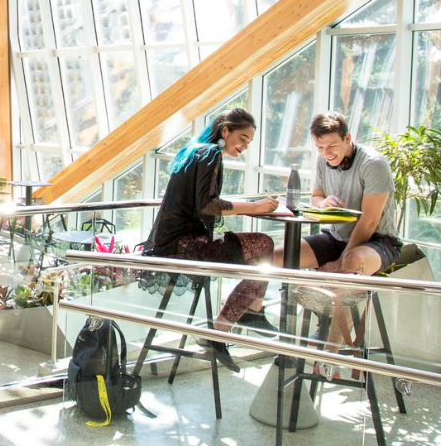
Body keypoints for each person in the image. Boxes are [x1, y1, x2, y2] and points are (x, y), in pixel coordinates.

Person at [231, 111, 402, 334]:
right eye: (320, 148)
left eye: (331, 146)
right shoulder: (323, 160)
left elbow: (369, 222)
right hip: (336, 236)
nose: (326, 153)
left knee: (350, 263)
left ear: (347, 138)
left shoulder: (373, 164)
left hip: (378, 241)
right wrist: (324, 203)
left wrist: (340, 261)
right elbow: (316, 197)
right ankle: (253, 312)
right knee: (269, 257)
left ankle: (325, 355)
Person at [143, 108, 279, 371]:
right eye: (242, 138)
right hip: (185, 247)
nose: (244, 146)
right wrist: (255, 208)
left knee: (257, 259)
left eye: (249, 142)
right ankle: (241, 318)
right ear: (225, 131)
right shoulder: (211, 153)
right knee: (265, 245)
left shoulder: (197, 150)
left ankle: (228, 326)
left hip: (171, 245)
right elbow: (207, 205)